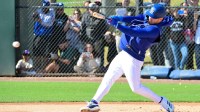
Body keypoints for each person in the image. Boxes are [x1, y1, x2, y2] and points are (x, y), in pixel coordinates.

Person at [80, 4, 174, 112]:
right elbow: (133, 18)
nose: (150, 18)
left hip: (133, 58)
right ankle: (94, 102)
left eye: (153, 17)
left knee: (136, 88)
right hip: (123, 54)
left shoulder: (155, 30)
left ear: (160, 19)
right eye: (150, 15)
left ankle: (163, 101)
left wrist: (117, 25)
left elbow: (134, 32)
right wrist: (119, 18)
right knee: (109, 77)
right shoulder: (149, 18)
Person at [32, 0, 55, 72]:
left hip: (47, 36)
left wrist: (40, 21)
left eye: (46, 7)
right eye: (43, 7)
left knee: (46, 54)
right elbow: (34, 17)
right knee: (37, 53)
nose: (44, 9)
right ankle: (37, 69)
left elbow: (50, 24)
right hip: (38, 35)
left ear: (48, 7)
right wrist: (35, 17)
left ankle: (44, 70)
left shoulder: (52, 12)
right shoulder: (39, 11)